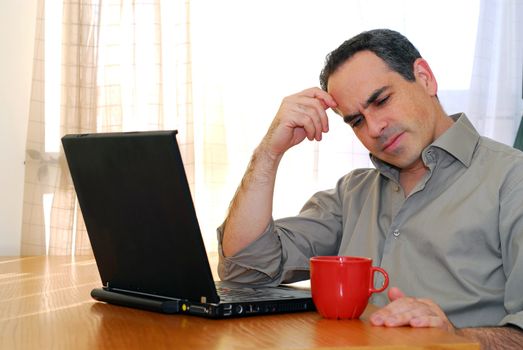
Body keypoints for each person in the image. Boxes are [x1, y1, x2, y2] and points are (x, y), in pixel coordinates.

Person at [217, 29, 523, 348]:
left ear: (425, 77)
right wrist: (269, 151)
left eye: (381, 100)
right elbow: (244, 270)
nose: (375, 128)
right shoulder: (352, 194)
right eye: (357, 121)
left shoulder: (513, 179)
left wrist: (455, 338)